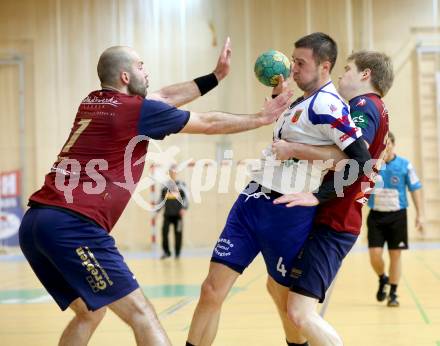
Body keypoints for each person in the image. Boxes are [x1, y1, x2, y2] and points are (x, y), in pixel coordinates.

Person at [18, 38, 294, 346]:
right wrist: (261, 118)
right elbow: (208, 122)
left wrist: (214, 77)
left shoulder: (94, 101)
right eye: (139, 66)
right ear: (125, 76)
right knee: (143, 315)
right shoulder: (134, 112)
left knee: (89, 312)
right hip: (73, 226)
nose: (145, 70)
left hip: (35, 224)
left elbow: (163, 96)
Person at [186, 32, 373, 346]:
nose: (293, 69)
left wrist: (317, 195)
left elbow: (362, 160)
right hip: (252, 200)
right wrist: (277, 96)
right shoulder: (302, 100)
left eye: (300, 63)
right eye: (292, 61)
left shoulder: (328, 106)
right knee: (211, 289)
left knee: (285, 300)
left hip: (286, 213)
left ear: (325, 67)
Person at [272, 50, 393, 345]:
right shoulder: (375, 108)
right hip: (335, 217)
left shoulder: (364, 105)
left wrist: (297, 156)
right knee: (279, 290)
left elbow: (356, 156)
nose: (341, 74)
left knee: (300, 312)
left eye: (348, 68)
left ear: (366, 75)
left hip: (336, 221)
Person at [367, 131, 424, 307]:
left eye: (388, 143)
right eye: (382, 144)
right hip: (376, 215)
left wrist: (420, 214)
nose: (385, 147)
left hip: (397, 216)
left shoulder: (405, 165)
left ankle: (393, 292)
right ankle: (382, 278)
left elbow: (415, 188)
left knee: (395, 255)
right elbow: (361, 189)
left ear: (393, 144)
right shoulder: (372, 166)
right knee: (375, 254)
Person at [159, 164, 189, 260]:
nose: (173, 173)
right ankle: (167, 252)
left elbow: (186, 199)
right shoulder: (164, 186)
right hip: (167, 215)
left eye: (174, 172)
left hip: (178, 216)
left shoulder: (181, 185)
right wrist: (156, 211)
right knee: (164, 232)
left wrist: (184, 208)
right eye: (171, 172)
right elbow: (161, 200)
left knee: (178, 234)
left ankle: (177, 253)